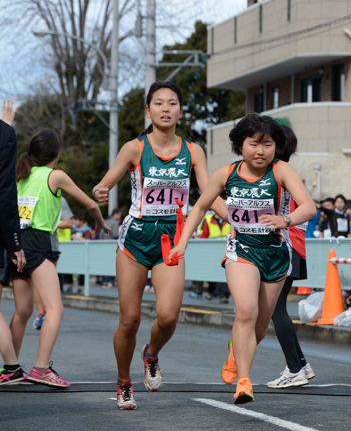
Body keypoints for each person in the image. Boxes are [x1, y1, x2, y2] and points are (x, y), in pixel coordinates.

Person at [93, 80, 227, 410]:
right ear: (148, 110)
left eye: (171, 103)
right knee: (130, 320)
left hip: (173, 239)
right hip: (136, 238)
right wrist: (101, 191)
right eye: (158, 103)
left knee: (167, 317)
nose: (165, 109)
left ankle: (150, 354)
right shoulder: (134, 149)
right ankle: (124, 382)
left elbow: (207, 195)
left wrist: (238, 219)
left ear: (180, 111)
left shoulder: (194, 151)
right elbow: (105, 183)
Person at [168, 114, 316, 404]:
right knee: (245, 311)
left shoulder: (282, 171)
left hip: (275, 255)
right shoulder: (225, 174)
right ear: (240, 144)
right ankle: (244, 383)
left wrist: (284, 219)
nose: (260, 151)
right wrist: (181, 242)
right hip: (241, 251)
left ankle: (236, 351)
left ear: (276, 146)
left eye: (267, 144)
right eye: (254, 144)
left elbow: (309, 207)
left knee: (259, 328)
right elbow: (200, 207)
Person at [8, 127, 110, 387]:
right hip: (38, 243)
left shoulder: (20, 175)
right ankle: (41, 369)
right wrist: (100, 222)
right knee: (55, 309)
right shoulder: (55, 176)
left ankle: (11, 368)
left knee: (23, 310)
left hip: (15, 243)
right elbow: (89, 203)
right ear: (56, 153)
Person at [0, 100, 27, 385]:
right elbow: (6, 194)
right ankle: (12, 366)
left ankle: (12, 366)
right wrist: (14, 243)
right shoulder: (4, 135)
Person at [33, 197, 73, 330]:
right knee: (36, 283)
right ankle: (40, 314)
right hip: (30, 244)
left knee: (48, 283)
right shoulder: (26, 190)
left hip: (51, 246)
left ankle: (50, 313)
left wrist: (47, 223)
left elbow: (68, 223)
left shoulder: (59, 199)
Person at [98, 208, 122, 288]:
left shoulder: (106, 221)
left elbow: (100, 234)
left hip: (103, 244)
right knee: (112, 263)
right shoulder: (115, 223)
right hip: (111, 245)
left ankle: (106, 280)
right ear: (116, 214)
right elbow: (115, 235)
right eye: (119, 215)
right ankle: (109, 280)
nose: (120, 217)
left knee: (106, 263)